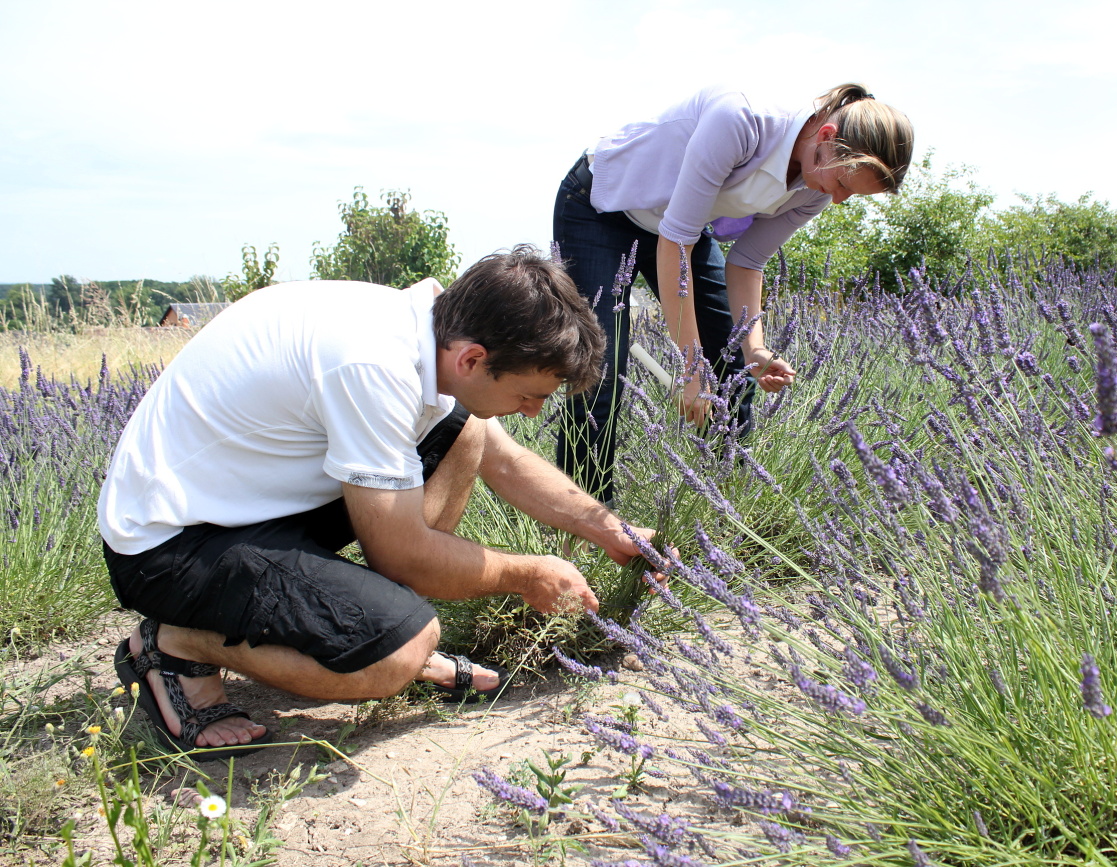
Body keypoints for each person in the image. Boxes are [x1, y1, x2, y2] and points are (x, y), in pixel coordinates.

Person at [98, 246, 662, 761]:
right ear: (472, 359)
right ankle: (172, 643)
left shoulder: (431, 328)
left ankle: (378, 626)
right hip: (170, 543)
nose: (534, 411)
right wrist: (531, 574)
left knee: (467, 430)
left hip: (247, 502)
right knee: (399, 653)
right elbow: (402, 556)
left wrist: (610, 528)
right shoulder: (371, 364)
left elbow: (505, 461)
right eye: (528, 394)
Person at [554, 82, 913, 504]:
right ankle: (585, 522)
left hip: (677, 226)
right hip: (602, 204)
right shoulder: (740, 121)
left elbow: (746, 262)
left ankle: (727, 505)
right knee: (599, 366)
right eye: (843, 184)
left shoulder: (815, 187)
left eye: (851, 195)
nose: (838, 199)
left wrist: (756, 350)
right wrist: (690, 369)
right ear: (828, 139)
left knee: (731, 362)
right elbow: (677, 240)